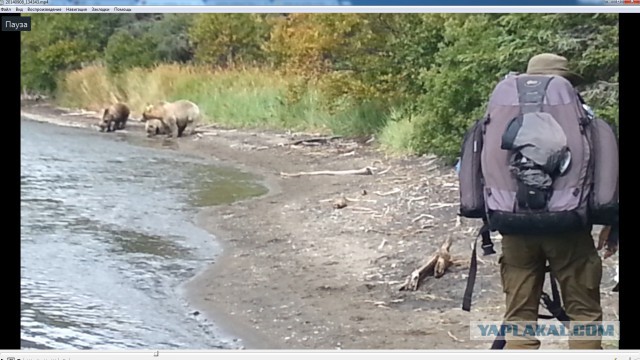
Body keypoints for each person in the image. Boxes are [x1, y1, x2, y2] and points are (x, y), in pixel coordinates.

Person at [497, 53, 618, 350]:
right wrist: (612, 223)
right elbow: (607, 173)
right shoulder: (583, 119)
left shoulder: (502, 115)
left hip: (514, 227)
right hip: (569, 228)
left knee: (519, 318)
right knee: (585, 315)